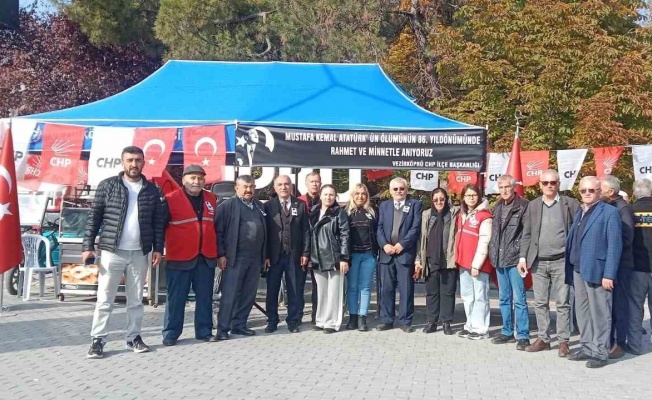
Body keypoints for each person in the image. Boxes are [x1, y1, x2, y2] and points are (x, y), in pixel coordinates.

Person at [83, 146, 164, 359]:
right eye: (130, 160)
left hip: (140, 252)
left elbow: (158, 222)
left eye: (138, 160)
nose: (134, 164)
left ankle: (133, 337)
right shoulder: (108, 186)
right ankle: (98, 340)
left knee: (136, 300)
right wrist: (88, 246)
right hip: (112, 251)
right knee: (105, 299)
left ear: (143, 162)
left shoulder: (152, 190)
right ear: (122, 162)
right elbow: (94, 217)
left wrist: (158, 248)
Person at [520, 169, 580, 357]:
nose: (549, 186)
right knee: (540, 303)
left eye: (553, 182)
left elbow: (578, 232)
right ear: (540, 185)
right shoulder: (533, 205)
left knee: (563, 302)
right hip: (538, 262)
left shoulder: (570, 204)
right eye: (545, 183)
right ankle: (543, 339)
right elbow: (526, 233)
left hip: (561, 261)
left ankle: (563, 341)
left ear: (558, 184)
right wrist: (522, 257)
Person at [565, 176, 622, 368]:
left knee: (600, 313)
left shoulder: (610, 212)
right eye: (583, 190)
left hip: (598, 271)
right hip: (578, 269)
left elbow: (615, 245)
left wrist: (609, 274)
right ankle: (587, 347)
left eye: (591, 190)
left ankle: (600, 352)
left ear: (599, 192)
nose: (587, 193)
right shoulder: (580, 211)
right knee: (582, 312)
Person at [161, 165, 218, 346]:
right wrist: (157, 249)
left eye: (200, 178)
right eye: (192, 178)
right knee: (176, 298)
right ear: (184, 180)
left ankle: (204, 331)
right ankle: (171, 333)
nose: (196, 182)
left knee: (205, 298)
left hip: (205, 257)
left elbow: (217, 228)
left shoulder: (212, 199)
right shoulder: (170, 199)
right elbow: (159, 227)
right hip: (179, 257)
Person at [215, 175, 267, 340]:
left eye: (251, 186)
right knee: (229, 294)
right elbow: (218, 232)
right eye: (245, 186)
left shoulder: (259, 206)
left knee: (248, 294)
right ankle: (222, 329)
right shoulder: (227, 206)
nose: (248, 190)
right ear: (236, 188)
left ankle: (239, 325)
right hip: (235, 257)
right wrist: (221, 254)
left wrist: (265, 255)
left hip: (255, 257)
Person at [263, 175, 310, 334]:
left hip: (294, 255)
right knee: (272, 290)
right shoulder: (268, 206)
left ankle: (293, 321)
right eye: (280, 184)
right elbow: (265, 233)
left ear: (291, 186)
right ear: (275, 187)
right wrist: (266, 255)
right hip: (274, 256)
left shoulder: (301, 205)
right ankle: (272, 321)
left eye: (286, 184)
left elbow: (306, 230)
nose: (283, 187)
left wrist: (305, 252)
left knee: (294, 289)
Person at [488, 175, 530, 350]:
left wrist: (522, 256)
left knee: (519, 299)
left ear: (513, 187)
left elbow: (526, 234)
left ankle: (523, 335)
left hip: (515, 259)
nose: (504, 190)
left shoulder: (524, 206)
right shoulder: (497, 206)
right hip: (499, 259)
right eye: (501, 187)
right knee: (504, 298)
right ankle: (506, 331)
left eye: (507, 187)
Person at [376, 177, 422, 333]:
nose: (399, 191)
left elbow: (415, 228)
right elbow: (379, 228)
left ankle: (405, 321)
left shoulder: (415, 205)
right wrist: (384, 245)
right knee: (386, 289)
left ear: (406, 190)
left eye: (402, 188)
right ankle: (386, 320)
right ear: (390, 191)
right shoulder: (384, 206)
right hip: (387, 254)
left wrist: (402, 244)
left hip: (405, 253)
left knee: (406, 290)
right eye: (395, 189)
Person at [600, 175, 635, 359]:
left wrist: (607, 247)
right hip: (609, 264)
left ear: (611, 192)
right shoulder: (608, 206)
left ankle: (620, 343)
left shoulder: (623, 209)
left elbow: (627, 238)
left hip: (621, 265)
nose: (597, 192)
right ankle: (609, 340)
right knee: (609, 306)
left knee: (619, 306)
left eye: (600, 189)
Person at [415, 188, 458, 336]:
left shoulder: (453, 213)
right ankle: (432, 321)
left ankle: (446, 322)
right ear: (432, 201)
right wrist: (419, 259)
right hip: (430, 259)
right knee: (432, 293)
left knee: (448, 293)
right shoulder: (427, 215)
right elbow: (421, 238)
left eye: (442, 199)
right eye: (435, 200)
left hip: (448, 259)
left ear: (446, 199)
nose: (439, 202)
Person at [309, 184, 350, 333]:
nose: (328, 197)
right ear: (320, 195)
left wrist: (344, 258)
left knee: (334, 292)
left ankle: (332, 323)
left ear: (335, 196)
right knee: (322, 292)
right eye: (325, 194)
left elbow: (345, 235)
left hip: (334, 257)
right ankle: (321, 320)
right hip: (317, 257)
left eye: (331, 195)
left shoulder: (339, 213)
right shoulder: (313, 211)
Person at [455, 184, 493, 340]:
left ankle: (481, 329)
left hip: (478, 265)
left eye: (474, 195)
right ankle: (470, 325)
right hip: (463, 263)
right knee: (467, 296)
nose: (471, 198)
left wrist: (476, 264)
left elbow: (485, 241)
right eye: (468, 195)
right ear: (463, 197)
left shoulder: (485, 216)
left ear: (479, 196)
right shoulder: (461, 214)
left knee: (480, 297)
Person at [345, 183, 377, 332]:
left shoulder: (372, 212)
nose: (360, 196)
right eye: (357, 193)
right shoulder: (346, 212)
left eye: (363, 194)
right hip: (352, 256)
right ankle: (352, 317)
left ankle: (362, 317)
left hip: (368, 255)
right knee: (352, 287)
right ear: (353, 195)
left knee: (365, 287)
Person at [628, 178, 652, 355]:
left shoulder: (630, 211)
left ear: (635, 192)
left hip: (637, 268)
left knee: (635, 308)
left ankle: (635, 345)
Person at [298, 171, 322, 324]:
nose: (314, 184)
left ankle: (316, 316)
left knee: (318, 286)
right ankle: (297, 316)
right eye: (312, 181)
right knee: (298, 285)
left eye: (317, 181)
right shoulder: (298, 201)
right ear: (306, 183)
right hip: (300, 250)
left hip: (319, 250)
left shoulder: (326, 201)